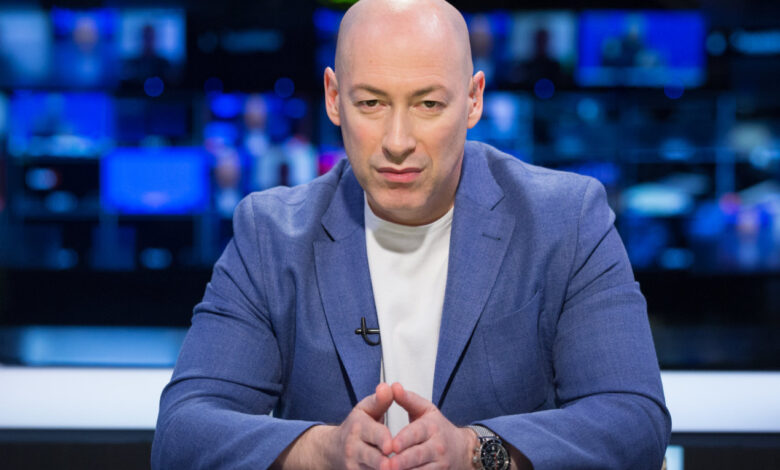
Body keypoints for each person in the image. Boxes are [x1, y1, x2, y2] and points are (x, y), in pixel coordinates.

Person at [151, 0, 671, 468]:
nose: (397, 142)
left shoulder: (567, 220)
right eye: (371, 104)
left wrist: (475, 452)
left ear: (473, 100)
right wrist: (321, 451)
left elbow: (634, 423)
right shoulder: (271, 235)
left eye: (428, 105)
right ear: (333, 98)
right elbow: (182, 434)